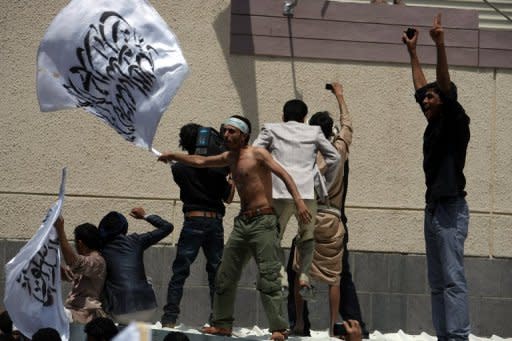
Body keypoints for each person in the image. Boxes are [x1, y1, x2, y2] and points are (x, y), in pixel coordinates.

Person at [158, 115, 312, 341]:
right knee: (224, 274)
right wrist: (172, 155)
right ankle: (222, 324)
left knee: (269, 275)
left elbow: (284, 174)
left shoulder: (258, 154)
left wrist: (298, 200)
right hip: (242, 223)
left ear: (244, 135)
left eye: (232, 132)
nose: (226, 135)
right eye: (225, 131)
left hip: (264, 222)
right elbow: (200, 161)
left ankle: (279, 328)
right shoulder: (228, 157)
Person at [403, 14, 471, 341]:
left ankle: (457, 337)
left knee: (453, 279)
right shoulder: (433, 122)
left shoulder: (455, 122)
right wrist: (413, 53)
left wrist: (439, 45)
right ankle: (445, 336)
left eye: (431, 98)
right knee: (436, 282)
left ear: (443, 101)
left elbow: (443, 84)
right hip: (432, 210)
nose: (425, 100)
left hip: (451, 210)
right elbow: (422, 86)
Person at [253, 99, 340, 297]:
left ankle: (281, 277)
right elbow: (334, 158)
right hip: (307, 194)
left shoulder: (271, 129)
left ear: (283, 116)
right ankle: (304, 277)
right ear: (304, 118)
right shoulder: (314, 132)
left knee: (274, 237)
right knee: (307, 237)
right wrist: (324, 184)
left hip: (279, 193)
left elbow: (254, 153)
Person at [291, 82, 351, 336]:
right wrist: (339, 94)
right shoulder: (338, 150)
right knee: (334, 277)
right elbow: (348, 124)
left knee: (301, 272)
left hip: (311, 216)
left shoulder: (307, 155)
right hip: (334, 220)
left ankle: (300, 324)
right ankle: (331, 326)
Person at [161, 123, 234, 328]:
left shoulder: (178, 168)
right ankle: (217, 318)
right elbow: (228, 197)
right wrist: (231, 175)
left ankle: (169, 318)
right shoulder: (216, 169)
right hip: (214, 221)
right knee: (215, 273)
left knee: (180, 271)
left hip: (192, 220)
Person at [99, 207, 174, 324]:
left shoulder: (101, 249)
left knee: (101, 281)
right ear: (124, 227)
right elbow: (168, 227)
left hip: (120, 313)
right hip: (148, 308)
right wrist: (145, 216)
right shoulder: (136, 240)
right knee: (146, 280)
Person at [54, 217, 106, 325]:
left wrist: (60, 231)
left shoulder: (97, 261)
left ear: (80, 244)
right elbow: (68, 273)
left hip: (84, 315)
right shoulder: (87, 263)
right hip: (73, 312)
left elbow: (75, 262)